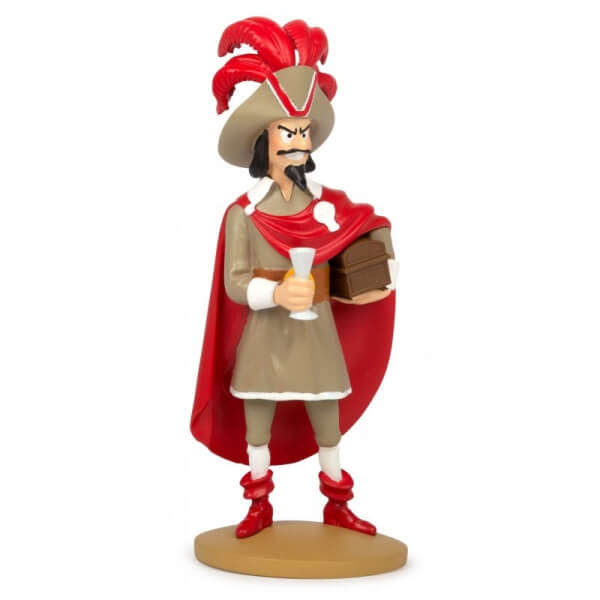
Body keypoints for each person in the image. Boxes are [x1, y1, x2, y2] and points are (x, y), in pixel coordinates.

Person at [191, 17, 398, 539]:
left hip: (316, 336)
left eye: (304, 132)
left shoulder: (327, 207)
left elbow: (369, 226)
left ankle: (338, 504)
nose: (299, 142)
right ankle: (259, 505)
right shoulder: (243, 214)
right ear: (264, 140)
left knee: (328, 422)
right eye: (289, 132)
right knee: (257, 425)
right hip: (265, 338)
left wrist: (381, 268)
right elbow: (235, 283)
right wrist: (277, 291)